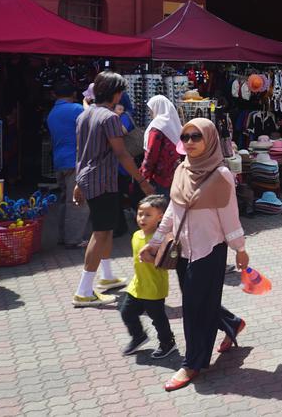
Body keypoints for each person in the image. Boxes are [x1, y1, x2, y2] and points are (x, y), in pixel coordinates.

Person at [139, 119, 249, 392]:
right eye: (185, 136)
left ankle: (193, 363)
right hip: (182, 249)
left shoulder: (221, 175)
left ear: (209, 139)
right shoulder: (181, 170)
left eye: (196, 137)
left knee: (193, 308)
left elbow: (230, 217)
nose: (189, 142)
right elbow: (171, 214)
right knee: (198, 300)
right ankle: (232, 323)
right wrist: (154, 242)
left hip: (209, 249)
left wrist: (240, 249)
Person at [73, 72, 155, 308]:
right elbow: (121, 153)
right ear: (116, 93)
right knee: (100, 233)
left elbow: (82, 153)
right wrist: (141, 181)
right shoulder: (109, 118)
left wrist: (79, 181)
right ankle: (84, 290)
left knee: (105, 229)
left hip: (91, 179)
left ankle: (106, 276)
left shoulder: (84, 114)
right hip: (103, 181)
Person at [119, 195, 177, 358]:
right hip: (137, 285)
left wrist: (150, 258)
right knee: (126, 312)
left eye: (147, 215)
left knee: (158, 319)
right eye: (140, 214)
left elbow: (165, 264)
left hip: (154, 287)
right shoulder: (136, 235)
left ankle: (168, 342)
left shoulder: (161, 240)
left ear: (160, 217)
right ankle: (139, 336)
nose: (142, 218)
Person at [46, 80, 86, 249]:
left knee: (64, 200)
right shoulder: (77, 109)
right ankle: (74, 239)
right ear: (74, 94)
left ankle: (64, 236)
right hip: (74, 160)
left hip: (59, 161)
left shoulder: (52, 113)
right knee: (77, 201)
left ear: (55, 95)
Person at [141, 95, 184, 195]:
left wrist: (144, 176)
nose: (150, 113)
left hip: (159, 178)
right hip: (176, 177)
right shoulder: (177, 126)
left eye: (151, 109)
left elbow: (151, 153)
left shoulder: (157, 127)